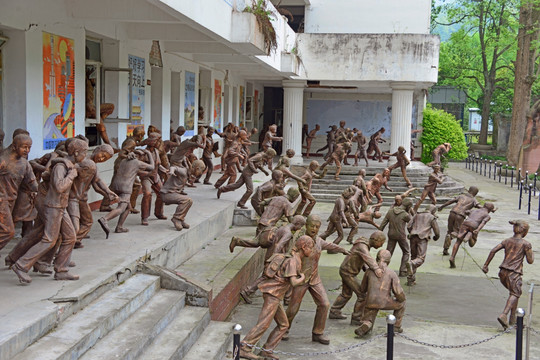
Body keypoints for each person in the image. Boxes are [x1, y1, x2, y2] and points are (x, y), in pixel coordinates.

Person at [11, 139, 87, 283]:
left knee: (70, 237)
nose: (85, 155)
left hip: (60, 206)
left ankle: (61, 270)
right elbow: (59, 187)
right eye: (84, 152)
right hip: (53, 206)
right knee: (49, 240)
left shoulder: (69, 165)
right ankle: (21, 265)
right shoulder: (61, 166)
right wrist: (71, 175)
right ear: (76, 152)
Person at [239, 235, 314, 360]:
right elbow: (294, 283)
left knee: (284, 325)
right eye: (310, 248)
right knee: (264, 323)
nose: (311, 251)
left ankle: (267, 350)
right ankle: (244, 348)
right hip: (273, 294)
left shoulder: (295, 258)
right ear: (304, 247)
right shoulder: (293, 260)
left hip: (276, 295)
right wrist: (302, 277)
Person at [285, 214, 350, 346]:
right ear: (306, 226)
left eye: (317, 226)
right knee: (293, 308)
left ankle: (318, 332)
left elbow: (329, 245)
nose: (314, 228)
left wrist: (343, 250)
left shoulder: (319, 241)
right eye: (312, 226)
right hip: (301, 279)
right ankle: (284, 328)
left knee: (324, 304)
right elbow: (291, 253)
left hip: (315, 279)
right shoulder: (300, 240)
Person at [239, 215, 306, 304]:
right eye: (300, 226)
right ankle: (247, 291)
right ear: (297, 224)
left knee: (266, 276)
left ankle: (249, 291)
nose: (299, 228)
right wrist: (275, 259)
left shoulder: (282, 228)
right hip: (275, 258)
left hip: (270, 254)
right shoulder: (288, 233)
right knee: (266, 276)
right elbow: (279, 245)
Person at [482, 220, 534, 329]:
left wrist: (486, 265)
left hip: (502, 272)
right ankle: (504, 314)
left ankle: (513, 319)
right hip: (514, 273)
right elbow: (530, 260)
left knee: (514, 293)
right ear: (524, 231)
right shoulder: (525, 244)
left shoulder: (507, 241)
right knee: (515, 293)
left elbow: (493, 251)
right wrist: (529, 250)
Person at [329, 231, 386, 324]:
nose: (381, 245)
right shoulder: (362, 246)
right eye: (381, 243)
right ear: (376, 240)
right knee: (362, 294)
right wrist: (377, 269)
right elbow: (368, 258)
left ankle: (334, 311)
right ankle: (356, 318)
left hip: (346, 270)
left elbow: (362, 259)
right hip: (348, 273)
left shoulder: (363, 245)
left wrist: (367, 269)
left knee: (346, 294)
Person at [97, 149, 155, 238]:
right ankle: (105, 219)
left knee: (128, 207)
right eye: (143, 156)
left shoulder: (124, 160)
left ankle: (119, 227)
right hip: (125, 187)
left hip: (116, 185)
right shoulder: (136, 162)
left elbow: (133, 172)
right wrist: (148, 153)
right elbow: (152, 167)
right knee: (121, 208)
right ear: (139, 156)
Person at [0, 135, 38, 258]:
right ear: (15, 146)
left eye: (29, 147)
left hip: (12, 200)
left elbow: (32, 183)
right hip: (2, 199)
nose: (27, 150)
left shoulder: (24, 164)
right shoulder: (3, 160)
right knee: (8, 232)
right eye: (24, 147)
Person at [229, 187, 300, 252]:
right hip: (268, 225)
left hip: (262, 221)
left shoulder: (276, 198)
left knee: (256, 242)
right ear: (294, 196)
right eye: (296, 198)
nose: (295, 200)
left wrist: (262, 214)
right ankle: (237, 241)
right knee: (265, 242)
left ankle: (237, 241)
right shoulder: (287, 204)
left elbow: (262, 203)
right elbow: (291, 220)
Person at [354, 249, 406, 337]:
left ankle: (367, 324)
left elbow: (362, 289)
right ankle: (395, 327)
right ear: (389, 261)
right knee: (402, 304)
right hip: (385, 302)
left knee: (370, 310)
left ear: (376, 258)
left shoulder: (369, 271)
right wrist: (401, 298)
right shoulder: (391, 273)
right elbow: (398, 292)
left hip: (370, 302)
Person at [449, 202, 496, 268]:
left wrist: (468, 213)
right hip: (474, 226)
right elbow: (483, 223)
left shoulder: (474, 210)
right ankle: (470, 236)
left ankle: (452, 257)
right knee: (472, 244)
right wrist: (477, 230)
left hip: (466, 223)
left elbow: (467, 211)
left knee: (458, 242)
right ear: (490, 210)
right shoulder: (487, 215)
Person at [161, 161, 204, 231]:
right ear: (197, 168)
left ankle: (181, 219)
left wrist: (187, 183)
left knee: (189, 201)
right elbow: (174, 167)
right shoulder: (184, 171)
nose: (201, 173)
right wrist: (171, 171)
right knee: (187, 200)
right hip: (167, 194)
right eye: (201, 171)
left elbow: (181, 180)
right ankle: (176, 218)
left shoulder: (188, 174)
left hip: (173, 193)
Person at [438, 186, 480, 256]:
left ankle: (445, 249)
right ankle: (453, 239)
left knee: (449, 231)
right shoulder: (473, 200)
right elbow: (480, 207)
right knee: (456, 232)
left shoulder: (461, 196)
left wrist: (442, 206)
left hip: (452, 212)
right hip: (460, 215)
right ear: (475, 193)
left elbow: (450, 201)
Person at [405, 204, 440, 286]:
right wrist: (436, 237)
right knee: (420, 258)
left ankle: (410, 280)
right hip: (422, 238)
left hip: (413, 237)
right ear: (433, 211)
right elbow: (437, 231)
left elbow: (409, 225)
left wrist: (412, 232)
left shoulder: (417, 214)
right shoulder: (431, 217)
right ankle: (411, 264)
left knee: (413, 257)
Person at [380, 198, 413, 277]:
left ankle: (382, 268)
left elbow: (382, 225)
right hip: (401, 235)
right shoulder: (405, 215)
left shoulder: (390, 211)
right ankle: (403, 271)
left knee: (388, 252)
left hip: (391, 234)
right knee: (406, 252)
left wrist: (380, 233)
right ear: (408, 206)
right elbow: (412, 224)